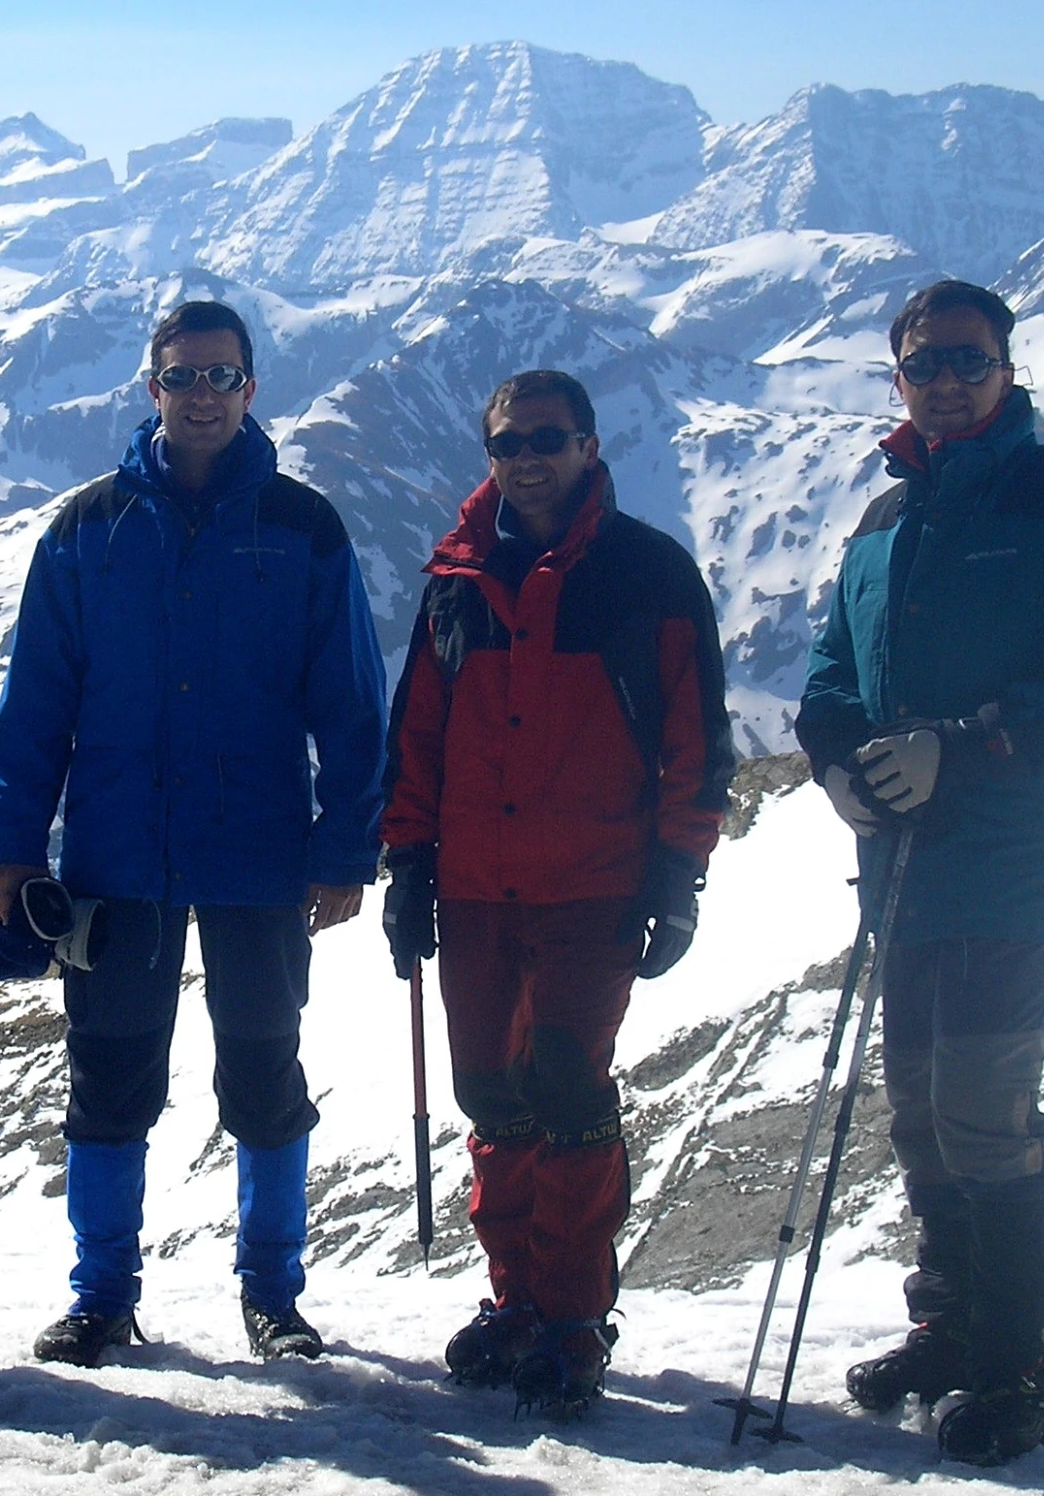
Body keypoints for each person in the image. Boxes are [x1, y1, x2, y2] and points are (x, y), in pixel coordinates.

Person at [0, 299, 387, 1367]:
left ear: (251, 389)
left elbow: (348, 700)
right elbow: (36, 701)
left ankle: (273, 1298)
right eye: (180, 376)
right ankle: (103, 1296)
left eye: (220, 376)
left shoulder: (304, 528)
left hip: (258, 855)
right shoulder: (84, 530)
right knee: (108, 1081)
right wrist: (13, 846)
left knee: (263, 1077)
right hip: (117, 855)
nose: (200, 394)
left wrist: (347, 846)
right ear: (149, 387)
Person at [798, 280, 1044, 1465]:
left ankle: (1017, 1356)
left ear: (1005, 369)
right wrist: (835, 760)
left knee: (982, 1110)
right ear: (894, 379)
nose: (944, 380)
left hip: (1013, 862)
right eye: (922, 364)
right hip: (904, 862)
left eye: (966, 360)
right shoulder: (882, 522)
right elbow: (829, 672)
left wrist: (961, 743)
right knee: (917, 1111)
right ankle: (952, 1322)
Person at [381, 369, 736, 1418]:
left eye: (546, 437)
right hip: (477, 888)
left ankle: (573, 1317)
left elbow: (694, 740)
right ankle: (517, 1302)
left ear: (587, 444)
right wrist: (405, 864)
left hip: (591, 890)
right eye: (506, 442)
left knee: (569, 1092)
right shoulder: (454, 580)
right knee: (492, 1097)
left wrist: (679, 874)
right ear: (487, 455)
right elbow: (418, 737)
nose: (526, 457)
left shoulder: (647, 576)